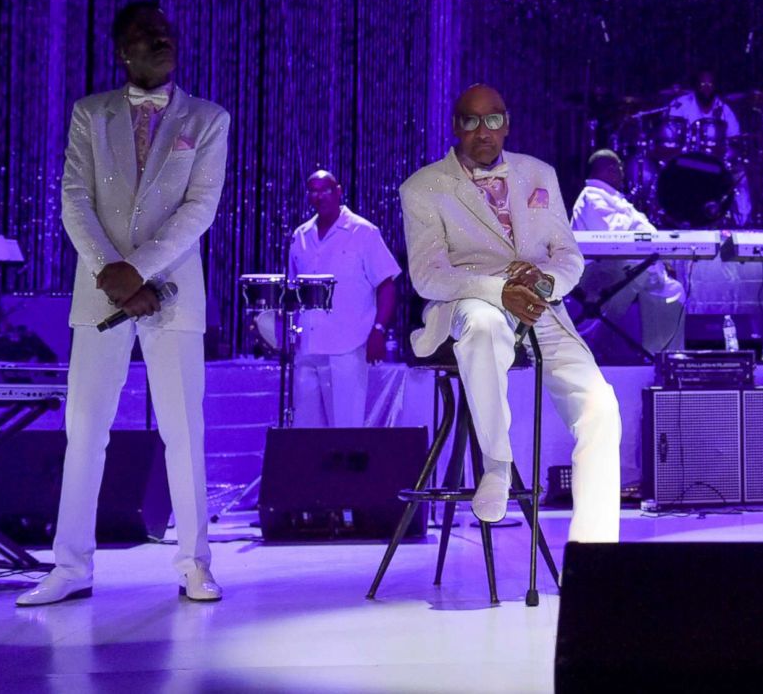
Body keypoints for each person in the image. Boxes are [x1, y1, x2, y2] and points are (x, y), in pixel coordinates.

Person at [17, 1, 230, 606]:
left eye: (166, 32)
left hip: (171, 290)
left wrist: (135, 269)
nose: (160, 40)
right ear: (122, 50)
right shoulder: (92, 113)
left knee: (184, 431)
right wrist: (111, 273)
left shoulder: (208, 118)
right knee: (84, 428)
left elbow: (200, 208)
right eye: (145, 35)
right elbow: (74, 199)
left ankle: (194, 562)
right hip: (102, 289)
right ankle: (70, 565)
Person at [400, 84, 620, 542]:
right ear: (456, 126)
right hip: (471, 302)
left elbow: (568, 256)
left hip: (541, 307)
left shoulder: (538, 174)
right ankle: (497, 464)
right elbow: (428, 275)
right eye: (472, 121)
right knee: (483, 327)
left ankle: (594, 553)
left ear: (507, 123)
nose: (485, 132)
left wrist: (540, 283)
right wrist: (500, 292)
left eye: (494, 120)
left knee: (601, 408)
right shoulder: (423, 187)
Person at [286, 170, 400, 427]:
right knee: (305, 432)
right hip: (308, 345)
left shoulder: (363, 232)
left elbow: (386, 285)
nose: (318, 196)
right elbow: (294, 290)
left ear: (338, 191)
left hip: (348, 346)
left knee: (345, 429)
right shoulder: (300, 235)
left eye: (325, 189)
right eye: (313, 190)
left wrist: (379, 331)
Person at [570, 150, 686, 356]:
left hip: (622, 268)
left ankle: (662, 355)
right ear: (608, 169)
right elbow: (615, 238)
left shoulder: (616, 199)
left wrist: (658, 258)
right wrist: (651, 255)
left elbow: (643, 233)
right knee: (640, 271)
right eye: (619, 167)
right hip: (594, 274)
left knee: (672, 289)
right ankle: (592, 339)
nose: (622, 172)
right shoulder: (591, 197)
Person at [667, 70, 750, 224]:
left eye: (710, 84)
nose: (706, 87)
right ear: (696, 85)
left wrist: (729, 157)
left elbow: (735, 139)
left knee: (740, 175)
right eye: (703, 83)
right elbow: (670, 132)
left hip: (715, 164)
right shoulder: (682, 104)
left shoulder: (724, 109)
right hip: (687, 161)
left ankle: (742, 222)